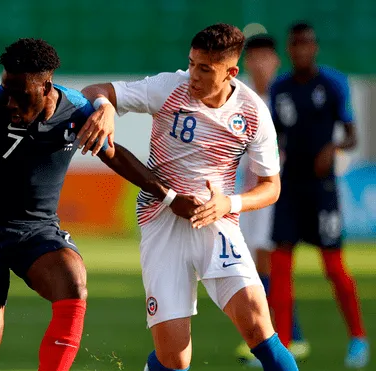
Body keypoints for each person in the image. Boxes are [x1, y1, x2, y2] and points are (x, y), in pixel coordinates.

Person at [0, 32, 177, 371]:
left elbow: (113, 155)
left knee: (73, 281)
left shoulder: (76, 110)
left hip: (36, 231)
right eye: (7, 90)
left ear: (46, 86)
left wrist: (167, 195)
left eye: (19, 94)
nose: (10, 102)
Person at [80, 23, 299, 371]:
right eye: (192, 63)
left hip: (218, 223)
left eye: (204, 69)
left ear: (231, 72)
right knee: (176, 359)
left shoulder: (254, 112)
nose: (193, 75)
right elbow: (95, 89)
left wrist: (230, 203)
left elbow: (272, 186)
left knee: (259, 326)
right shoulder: (169, 87)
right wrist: (104, 105)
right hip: (161, 222)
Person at [269, 22, 369, 369]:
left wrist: (333, 147)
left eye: (307, 44)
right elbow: (273, 136)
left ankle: (358, 338)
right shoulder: (280, 89)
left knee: (334, 267)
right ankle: (281, 346)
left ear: (315, 48)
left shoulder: (332, 83)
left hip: (322, 189)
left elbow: (352, 136)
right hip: (289, 187)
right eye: (295, 45)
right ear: (289, 48)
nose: (301, 50)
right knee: (280, 265)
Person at [235, 34, 309, 366]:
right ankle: (283, 333)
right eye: (255, 58)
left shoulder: (281, 97)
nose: (261, 64)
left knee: (267, 261)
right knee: (251, 263)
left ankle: (281, 336)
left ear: (276, 61)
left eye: (266, 57)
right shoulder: (240, 97)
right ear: (245, 63)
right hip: (244, 191)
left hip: (273, 192)